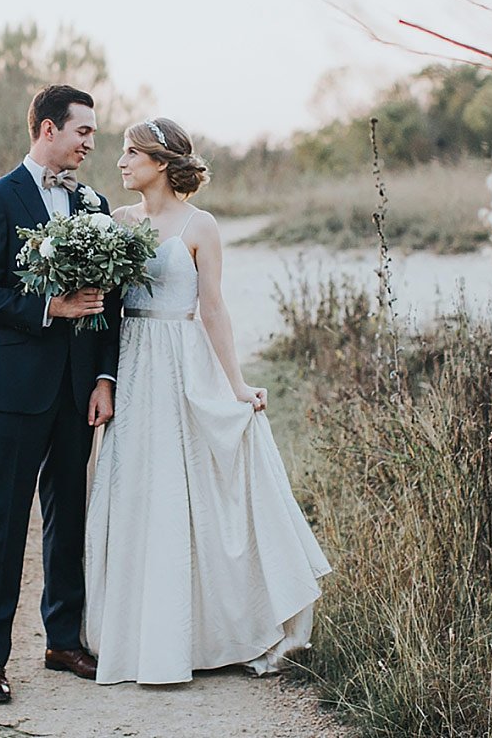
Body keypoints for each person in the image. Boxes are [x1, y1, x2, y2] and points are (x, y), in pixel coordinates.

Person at [82, 116, 331, 685]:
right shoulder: (115, 222)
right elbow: (104, 310)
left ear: (162, 164)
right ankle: (138, 635)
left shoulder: (201, 226)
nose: (120, 163)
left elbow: (213, 308)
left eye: (131, 154)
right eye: (120, 153)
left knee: (190, 485)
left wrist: (238, 385)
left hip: (182, 359)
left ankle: (214, 630)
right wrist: (101, 377)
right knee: (137, 485)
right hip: (133, 362)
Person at [0, 84, 122, 704]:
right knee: (2, 523)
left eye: (93, 135)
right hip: (14, 387)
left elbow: (112, 304)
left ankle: (63, 639)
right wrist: (50, 306)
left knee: (69, 515)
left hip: (77, 390)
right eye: (83, 132)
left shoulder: (94, 203)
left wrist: (104, 378)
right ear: (47, 129)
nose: (90, 144)